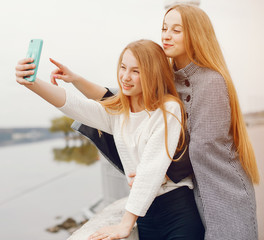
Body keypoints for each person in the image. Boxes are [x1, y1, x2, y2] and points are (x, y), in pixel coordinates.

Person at [49, 4, 260, 240]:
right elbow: (119, 98)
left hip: (220, 191)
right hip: (191, 192)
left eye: (176, 30)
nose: (166, 35)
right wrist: (75, 79)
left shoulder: (211, 81)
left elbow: (204, 148)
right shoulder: (170, 75)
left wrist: (159, 173)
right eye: (164, 28)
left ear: (196, 34)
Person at [16, 39, 205, 239]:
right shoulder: (118, 113)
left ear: (153, 74)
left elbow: (151, 171)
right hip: (145, 216)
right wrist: (32, 83)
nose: (125, 76)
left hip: (177, 211)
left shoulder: (168, 109)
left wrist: (125, 224)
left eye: (136, 71)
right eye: (123, 67)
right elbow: (74, 105)